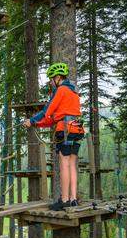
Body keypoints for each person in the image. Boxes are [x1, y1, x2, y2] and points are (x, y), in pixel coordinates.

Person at [24, 62, 85, 211]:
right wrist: (36, 124)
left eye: (51, 79)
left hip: (64, 130)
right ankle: (73, 199)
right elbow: (53, 118)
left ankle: (64, 200)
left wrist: (31, 120)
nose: (51, 82)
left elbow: (47, 111)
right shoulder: (74, 92)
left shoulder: (61, 90)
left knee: (64, 164)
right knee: (72, 164)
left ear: (58, 77)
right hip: (77, 129)